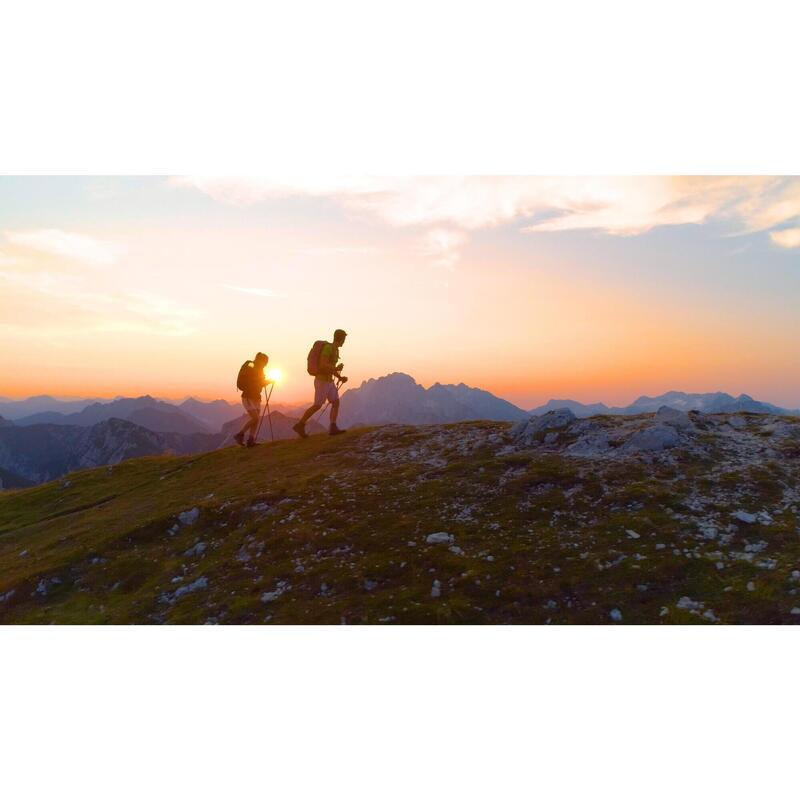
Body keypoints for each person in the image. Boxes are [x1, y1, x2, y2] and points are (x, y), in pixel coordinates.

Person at [293, 329, 348, 437]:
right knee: (317, 405)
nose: (344, 341)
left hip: (329, 380)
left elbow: (330, 367)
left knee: (336, 402)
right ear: (341, 338)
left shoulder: (336, 350)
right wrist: (336, 368)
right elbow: (323, 364)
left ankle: (333, 427)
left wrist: (340, 377)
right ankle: (300, 424)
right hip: (321, 381)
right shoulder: (328, 348)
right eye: (344, 338)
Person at [234, 352, 273, 447]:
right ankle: (240, 434)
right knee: (255, 418)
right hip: (248, 396)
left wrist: (267, 381)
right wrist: (266, 381)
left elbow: (259, 383)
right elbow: (255, 381)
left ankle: (251, 440)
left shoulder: (258, 369)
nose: (265, 365)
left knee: (256, 419)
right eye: (265, 362)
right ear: (260, 360)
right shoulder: (251, 366)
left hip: (256, 397)